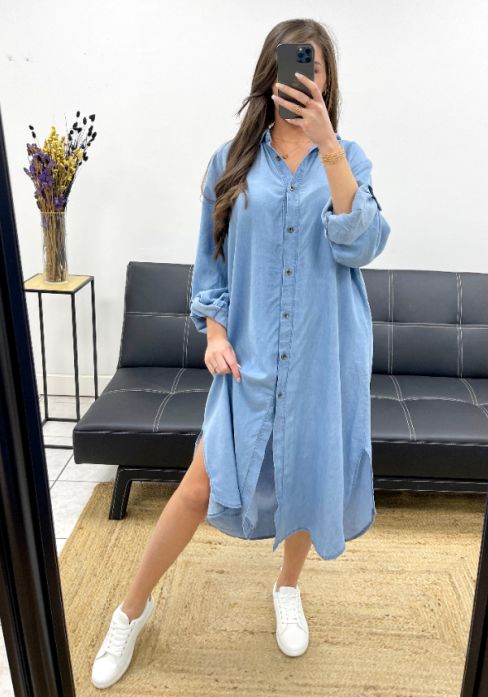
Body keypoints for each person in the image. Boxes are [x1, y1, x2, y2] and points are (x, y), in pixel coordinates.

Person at [92, 18, 390, 689]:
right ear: (272, 72)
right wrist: (216, 333)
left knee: (308, 477)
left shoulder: (349, 158)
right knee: (197, 487)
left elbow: (363, 243)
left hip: (322, 356)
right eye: (295, 66)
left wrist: (328, 145)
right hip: (249, 358)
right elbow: (212, 260)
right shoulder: (230, 161)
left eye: (315, 70)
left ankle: (287, 586)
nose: (303, 80)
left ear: (327, 82)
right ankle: (131, 610)